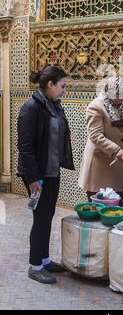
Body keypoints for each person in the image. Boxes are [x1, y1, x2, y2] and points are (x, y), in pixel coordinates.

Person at [17, 65, 75, 284]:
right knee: (40, 218)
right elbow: (26, 147)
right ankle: (35, 266)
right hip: (36, 173)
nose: (64, 90)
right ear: (50, 84)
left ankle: (44, 259)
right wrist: (32, 179)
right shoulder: (31, 108)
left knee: (48, 215)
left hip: (52, 171)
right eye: (62, 86)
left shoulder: (53, 105)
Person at [78, 76, 123, 201]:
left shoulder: (119, 104)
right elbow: (95, 135)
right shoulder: (96, 107)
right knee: (98, 204)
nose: (122, 98)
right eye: (119, 94)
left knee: (117, 202)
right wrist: (115, 149)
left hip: (118, 163)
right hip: (100, 164)